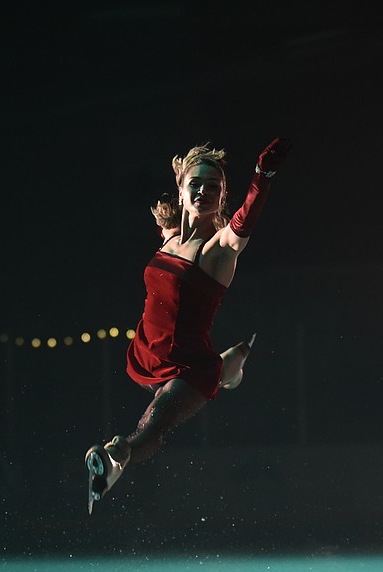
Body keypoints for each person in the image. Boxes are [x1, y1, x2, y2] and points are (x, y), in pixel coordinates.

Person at [85, 136, 293, 513]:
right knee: (224, 369)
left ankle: (119, 452)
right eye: (196, 183)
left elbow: (243, 224)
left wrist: (262, 174)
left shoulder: (217, 251)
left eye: (214, 187)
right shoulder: (168, 238)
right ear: (181, 189)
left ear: (221, 197)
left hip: (188, 368)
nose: (204, 191)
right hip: (149, 357)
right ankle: (232, 369)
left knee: (156, 422)